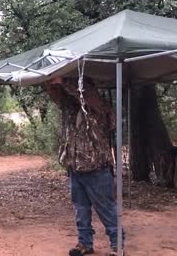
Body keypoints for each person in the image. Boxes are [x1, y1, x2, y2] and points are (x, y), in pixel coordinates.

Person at [44, 76, 124, 256]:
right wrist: (49, 82)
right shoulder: (70, 108)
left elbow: (85, 96)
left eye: (81, 87)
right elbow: (57, 96)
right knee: (81, 209)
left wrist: (64, 81)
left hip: (96, 168)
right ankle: (85, 243)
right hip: (75, 168)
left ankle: (117, 245)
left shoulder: (97, 107)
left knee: (106, 208)